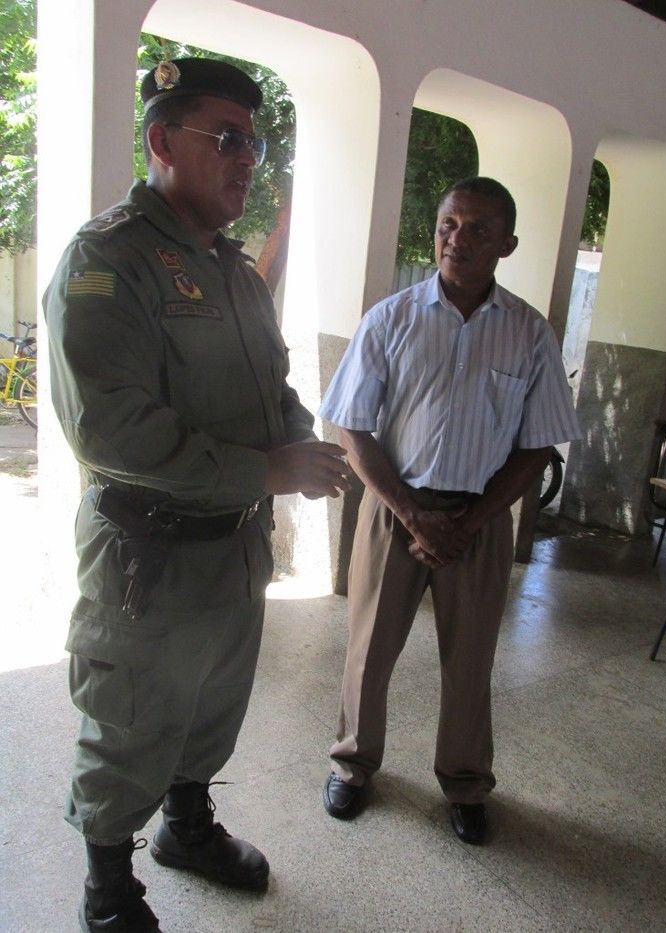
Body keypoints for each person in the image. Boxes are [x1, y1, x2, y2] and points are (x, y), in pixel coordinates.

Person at [44, 58, 349, 932]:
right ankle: (108, 887)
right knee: (129, 721)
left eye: (253, 142)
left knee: (211, 704)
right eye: (227, 138)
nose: (247, 157)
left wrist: (296, 437)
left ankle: (185, 826)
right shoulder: (107, 263)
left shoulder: (236, 273)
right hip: (148, 556)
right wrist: (268, 472)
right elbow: (109, 429)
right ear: (161, 140)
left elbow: (271, 386)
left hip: (232, 549)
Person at [318, 176, 580, 844]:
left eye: (478, 229)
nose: (457, 241)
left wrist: (469, 520)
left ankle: (464, 782)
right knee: (368, 651)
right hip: (391, 510)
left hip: (482, 520)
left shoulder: (528, 333)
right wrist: (411, 514)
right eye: (447, 226)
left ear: (507, 244)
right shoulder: (392, 318)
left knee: (469, 662)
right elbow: (352, 427)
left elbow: (538, 443)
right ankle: (353, 764)